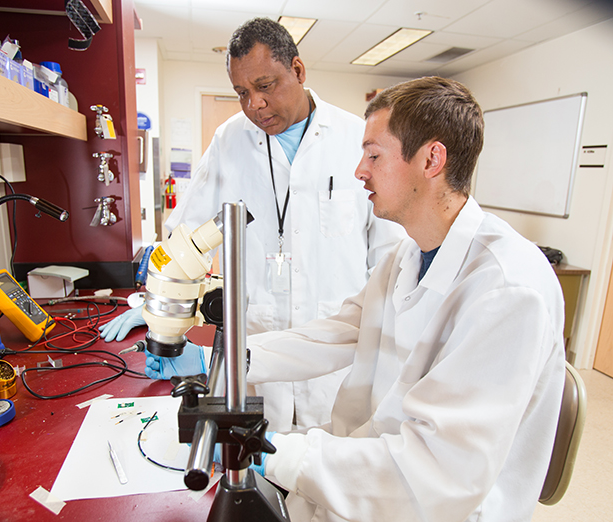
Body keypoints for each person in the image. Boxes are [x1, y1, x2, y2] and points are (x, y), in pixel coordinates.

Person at [146, 76, 567, 521]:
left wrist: (273, 454)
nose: (359, 171)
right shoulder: (409, 255)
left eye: (374, 155)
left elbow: (438, 473)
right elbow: (340, 332)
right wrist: (227, 357)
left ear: (431, 159)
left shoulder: (508, 291)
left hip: (432, 504)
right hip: (367, 470)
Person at [100, 17, 405, 432]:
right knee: (262, 462)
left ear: (297, 70)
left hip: (339, 355)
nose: (254, 105)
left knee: (335, 473)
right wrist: (160, 307)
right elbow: (185, 236)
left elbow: (389, 257)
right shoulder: (229, 141)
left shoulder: (355, 138)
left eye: (265, 86)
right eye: (242, 92)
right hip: (259, 348)